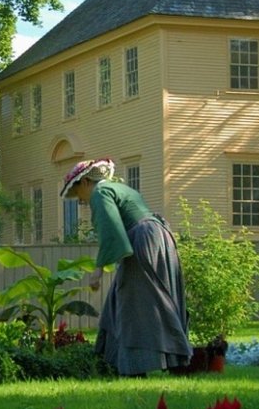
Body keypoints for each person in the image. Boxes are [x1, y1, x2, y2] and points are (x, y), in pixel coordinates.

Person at [60, 158, 192, 376]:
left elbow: (109, 229)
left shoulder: (100, 194)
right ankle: (139, 362)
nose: (80, 202)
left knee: (135, 302)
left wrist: (98, 270)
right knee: (126, 299)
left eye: (78, 195)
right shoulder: (118, 187)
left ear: (85, 183)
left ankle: (138, 367)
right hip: (158, 238)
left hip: (143, 241)